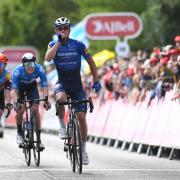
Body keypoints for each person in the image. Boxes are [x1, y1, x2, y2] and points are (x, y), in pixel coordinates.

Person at [45, 17, 101, 165]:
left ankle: (83, 150)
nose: (62, 31)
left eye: (65, 28)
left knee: (82, 117)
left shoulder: (79, 45)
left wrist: (96, 80)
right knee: (61, 99)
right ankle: (62, 126)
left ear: (69, 30)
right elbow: (48, 58)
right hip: (62, 84)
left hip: (77, 86)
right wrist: (58, 42)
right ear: (56, 31)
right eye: (59, 29)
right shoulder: (53, 44)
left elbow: (91, 62)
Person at [12, 53, 51, 150]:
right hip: (19, 88)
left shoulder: (40, 68)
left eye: (32, 65)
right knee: (20, 109)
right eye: (27, 66)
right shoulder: (17, 71)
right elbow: (14, 91)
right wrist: (17, 102)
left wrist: (46, 99)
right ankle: (19, 132)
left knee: (35, 109)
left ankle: (38, 139)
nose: (30, 68)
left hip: (32, 87)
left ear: (35, 64)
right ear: (23, 65)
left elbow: (44, 85)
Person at [0, 53, 13, 136]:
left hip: (1, 93)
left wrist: (8, 103)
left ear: (5, 65)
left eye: (1, 64)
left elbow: (7, 91)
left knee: (1, 112)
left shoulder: (7, 74)